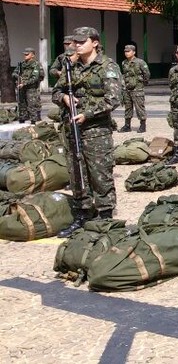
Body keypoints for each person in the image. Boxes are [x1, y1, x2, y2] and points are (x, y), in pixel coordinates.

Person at [54, 27, 122, 237]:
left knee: (99, 175)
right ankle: (83, 214)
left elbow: (113, 99)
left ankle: (105, 217)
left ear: (95, 43)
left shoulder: (107, 67)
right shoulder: (70, 68)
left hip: (96, 131)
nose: (77, 45)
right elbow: (56, 91)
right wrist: (65, 99)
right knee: (77, 173)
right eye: (75, 42)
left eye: (82, 41)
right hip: (72, 129)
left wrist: (88, 113)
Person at [118, 44, 150, 133]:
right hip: (127, 89)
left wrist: (141, 84)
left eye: (128, 51)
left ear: (134, 52)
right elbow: (124, 74)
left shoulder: (140, 62)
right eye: (125, 51)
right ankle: (127, 125)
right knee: (128, 107)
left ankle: (143, 125)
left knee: (139, 107)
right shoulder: (124, 63)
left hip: (137, 89)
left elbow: (146, 74)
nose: (126, 53)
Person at [13, 47, 43, 123]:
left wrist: (24, 83)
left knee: (32, 105)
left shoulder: (36, 64)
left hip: (32, 88)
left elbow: (35, 77)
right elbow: (14, 73)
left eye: (27, 54)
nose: (25, 56)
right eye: (24, 54)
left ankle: (34, 121)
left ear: (32, 55)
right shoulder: (21, 64)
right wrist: (18, 77)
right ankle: (22, 118)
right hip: (22, 87)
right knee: (21, 104)